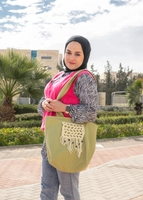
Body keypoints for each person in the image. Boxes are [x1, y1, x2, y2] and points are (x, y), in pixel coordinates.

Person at [37, 35, 98, 200]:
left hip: (69, 140)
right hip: (50, 139)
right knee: (46, 189)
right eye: (68, 52)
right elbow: (44, 104)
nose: (71, 58)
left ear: (85, 56)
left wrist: (64, 108)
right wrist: (43, 104)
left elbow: (92, 112)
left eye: (78, 54)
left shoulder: (83, 77)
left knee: (69, 192)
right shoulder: (59, 76)